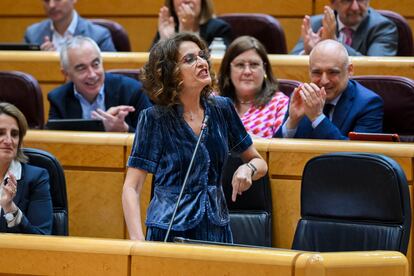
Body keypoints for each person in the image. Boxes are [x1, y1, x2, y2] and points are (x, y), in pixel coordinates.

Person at [122, 32, 268, 242]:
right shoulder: (155, 118)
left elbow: (259, 162)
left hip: (216, 227)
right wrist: (137, 242)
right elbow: (132, 187)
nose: (201, 62)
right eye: (189, 59)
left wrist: (248, 168)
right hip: (168, 229)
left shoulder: (222, 108)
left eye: (201, 55)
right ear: (170, 73)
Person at [274, 39, 383, 140]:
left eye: (333, 72)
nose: (324, 81)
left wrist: (317, 117)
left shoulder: (368, 104)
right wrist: (292, 122)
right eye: (317, 72)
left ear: (349, 70)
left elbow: (358, 154)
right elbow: (276, 154)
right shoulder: (301, 97)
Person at [47, 36, 151, 132]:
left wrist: (124, 129)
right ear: (66, 73)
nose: (92, 75)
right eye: (81, 68)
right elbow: (53, 143)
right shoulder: (58, 99)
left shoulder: (132, 91)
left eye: (95, 64)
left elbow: (153, 140)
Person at [218, 36, 289, 138]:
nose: (247, 71)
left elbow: (280, 149)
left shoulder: (280, 104)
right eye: (240, 65)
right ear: (228, 70)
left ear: (264, 68)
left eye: (254, 65)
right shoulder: (214, 103)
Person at [0, 103, 53, 234]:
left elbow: (41, 238)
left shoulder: (36, 178)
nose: (8, 140)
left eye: (14, 134)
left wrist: (10, 209)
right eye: (0, 133)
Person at [290, 0, 397, 56]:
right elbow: (289, 63)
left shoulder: (383, 27)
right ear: (333, 3)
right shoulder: (316, 24)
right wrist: (307, 53)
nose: (355, 7)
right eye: (347, 0)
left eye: (360, 0)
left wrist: (333, 42)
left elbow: (376, 68)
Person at [24, 0, 115, 52]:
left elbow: (111, 76)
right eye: (46, 0)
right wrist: (43, 61)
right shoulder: (32, 34)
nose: (51, 5)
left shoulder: (99, 36)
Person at [152, 0, 232, 47]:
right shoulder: (168, 27)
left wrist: (187, 33)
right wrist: (165, 42)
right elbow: (148, 68)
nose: (187, 1)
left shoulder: (219, 29)